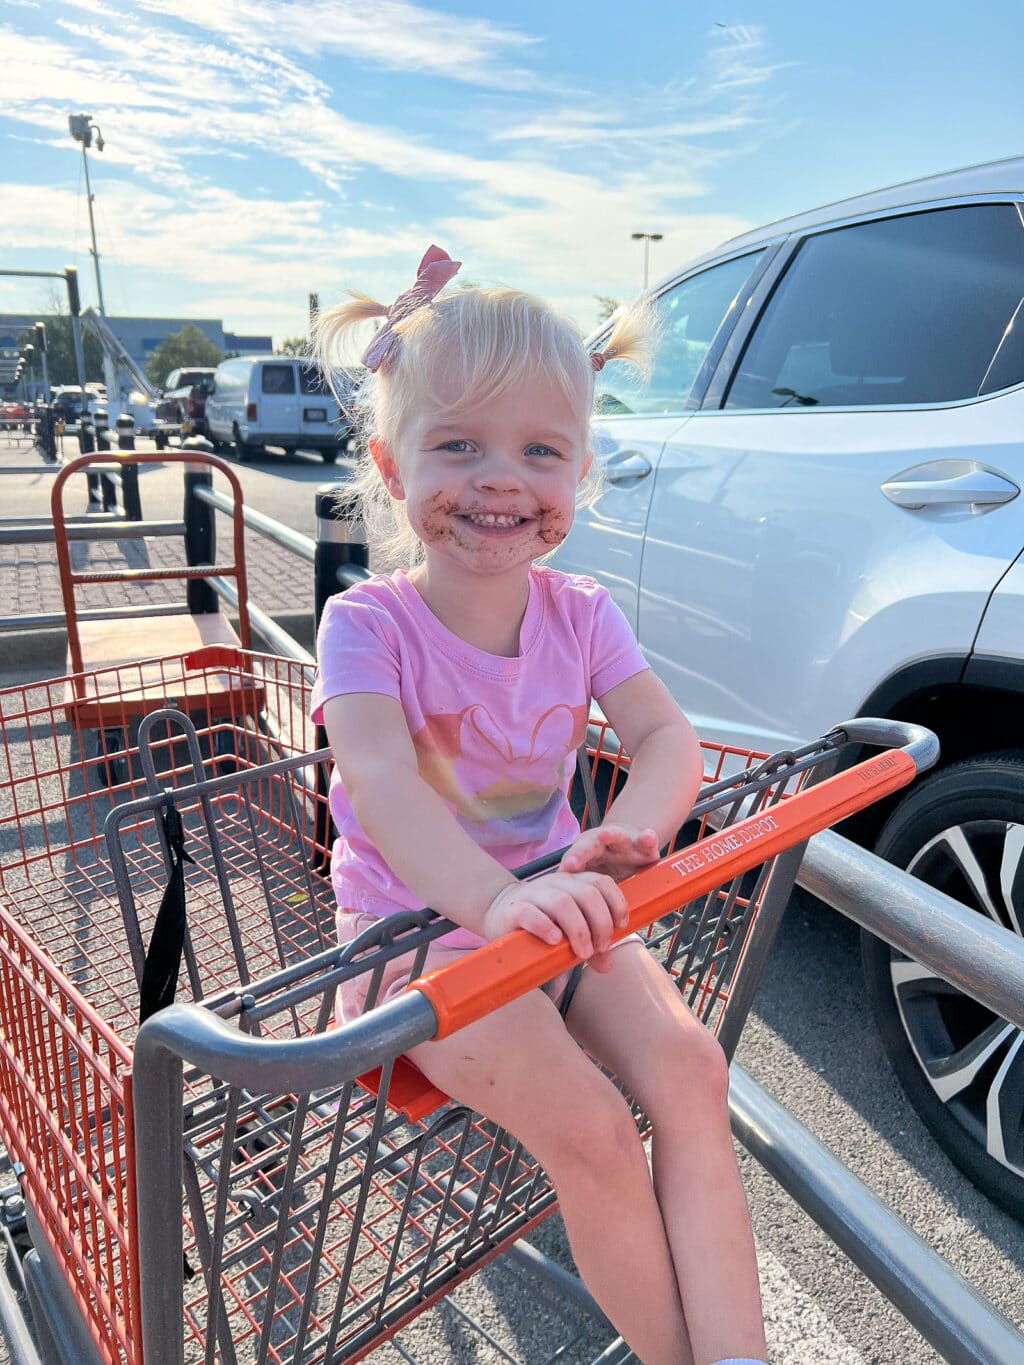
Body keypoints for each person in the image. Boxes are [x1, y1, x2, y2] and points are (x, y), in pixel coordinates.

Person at [310, 246, 768, 1365]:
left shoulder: (581, 612)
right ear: (389, 462)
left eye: (539, 450)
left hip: (558, 910)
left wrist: (637, 831)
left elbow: (663, 737)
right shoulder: (366, 627)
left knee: (694, 1073)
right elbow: (377, 783)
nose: (500, 480)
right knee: (598, 1135)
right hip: (415, 939)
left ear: (582, 472)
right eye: (458, 445)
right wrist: (498, 898)